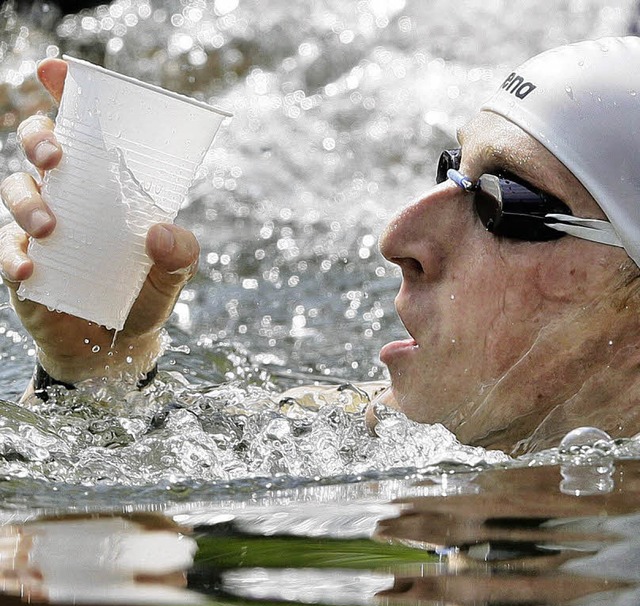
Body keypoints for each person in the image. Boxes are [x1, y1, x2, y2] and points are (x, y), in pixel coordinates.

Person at [2, 37, 640, 455]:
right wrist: (93, 366)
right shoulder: (360, 433)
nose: (398, 239)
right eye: (449, 169)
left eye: (502, 202)